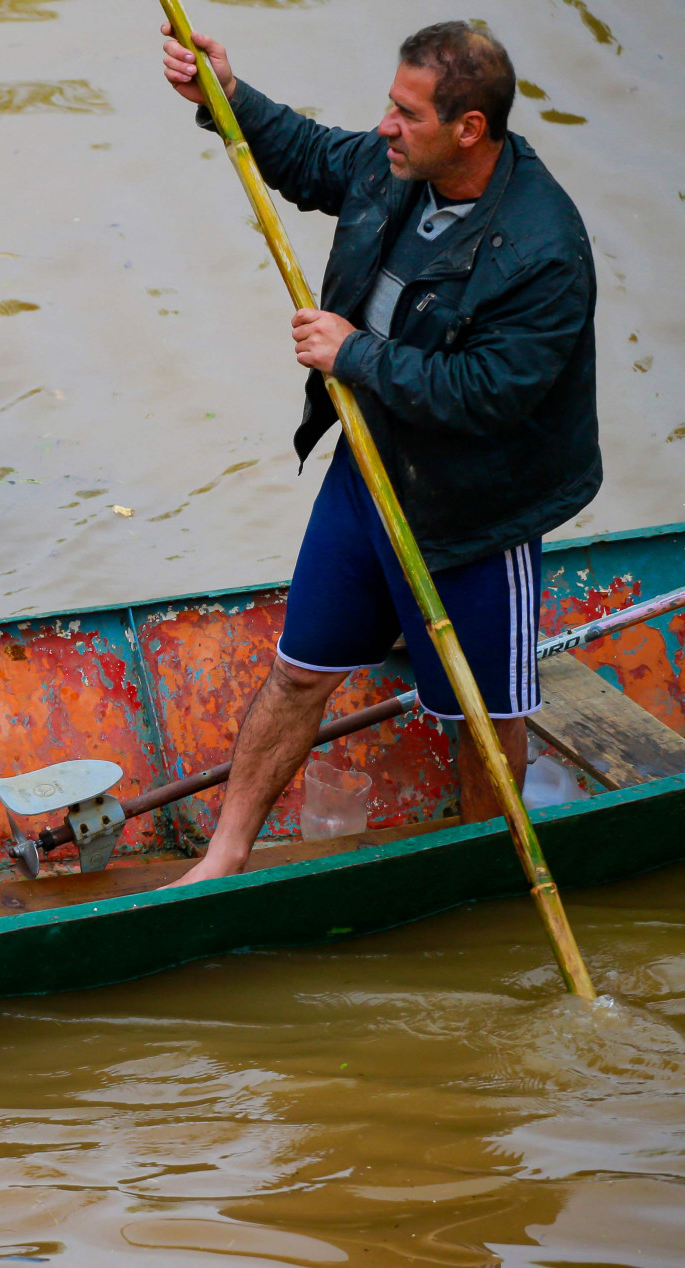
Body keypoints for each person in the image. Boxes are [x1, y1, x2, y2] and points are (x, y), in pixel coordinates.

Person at [157, 20, 599, 884]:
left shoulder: (543, 250)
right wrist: (227, 97)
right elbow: (317, 158)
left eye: (406, 113)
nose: (385, 127)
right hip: (369, 471)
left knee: (479, 717)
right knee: (295, 676)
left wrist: (352, 354)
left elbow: (489, 396)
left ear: (468, 128)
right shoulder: (399, 163)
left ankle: (490, 875)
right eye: (388, 108)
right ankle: (222, 856)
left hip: (476, 512)